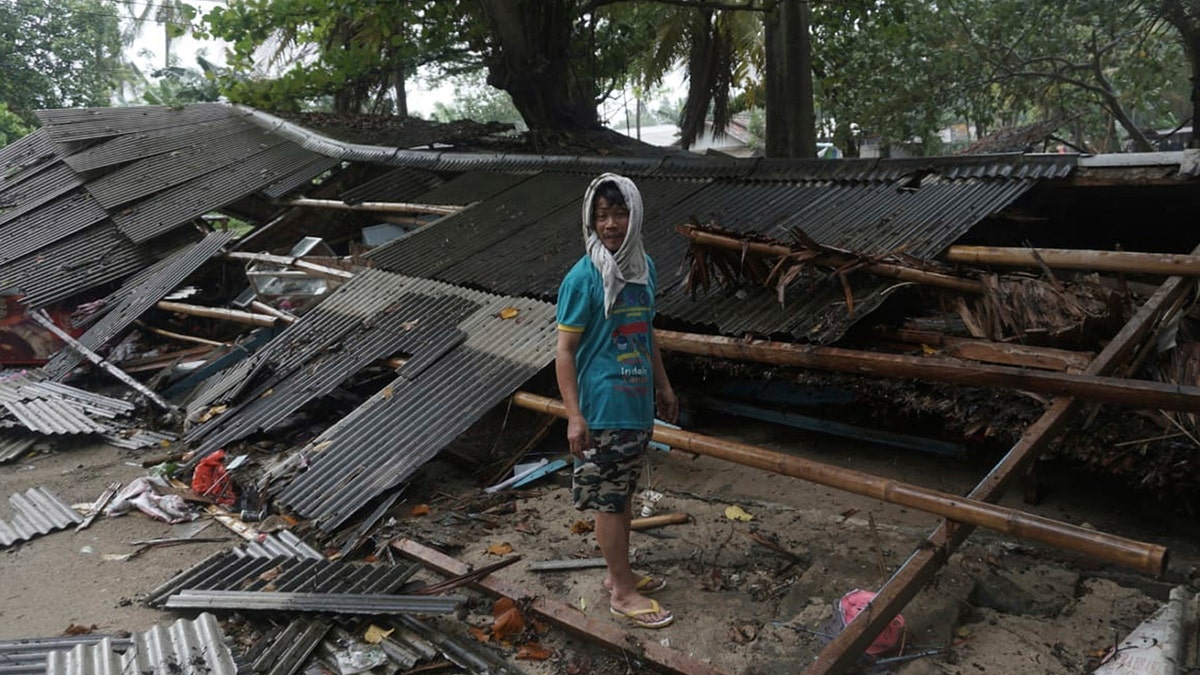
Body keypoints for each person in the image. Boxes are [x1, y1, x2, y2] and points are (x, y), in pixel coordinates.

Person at [555, 172, 679, 629]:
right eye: (601, 215)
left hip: (636, 404)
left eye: (619, 213)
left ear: (635, 214)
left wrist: (662, 387)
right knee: (609, 501)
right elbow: (564, 352)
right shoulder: (582, 278)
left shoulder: (643, 268)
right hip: (603, 406)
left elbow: (646, 333)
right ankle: (623, 594)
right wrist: (573, 415)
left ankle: (617, 576)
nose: (610, 224)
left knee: (623, 493)